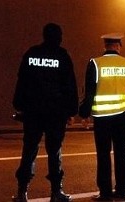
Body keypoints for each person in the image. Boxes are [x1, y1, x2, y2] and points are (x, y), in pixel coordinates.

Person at [12, 23, 78, 202]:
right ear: (59, 37)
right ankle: (56, 192)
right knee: (54, 151)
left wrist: (18, 104)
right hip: (55, 114)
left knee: (29, 149)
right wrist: (72, 111)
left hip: (33, 112)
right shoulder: (62, 56)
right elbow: (70, 86)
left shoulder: (31, 53)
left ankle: (21, 192)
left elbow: (22, 81)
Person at [79, 33, 125, 201]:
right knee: (122, 153)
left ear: (105, 46)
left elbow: (90, 92)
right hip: (122, 116)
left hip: (101, 118)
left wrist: (84, 114)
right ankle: (122, 191)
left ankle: (105, 192)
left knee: (103, 155)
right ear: (118, 46)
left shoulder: (95, 63)